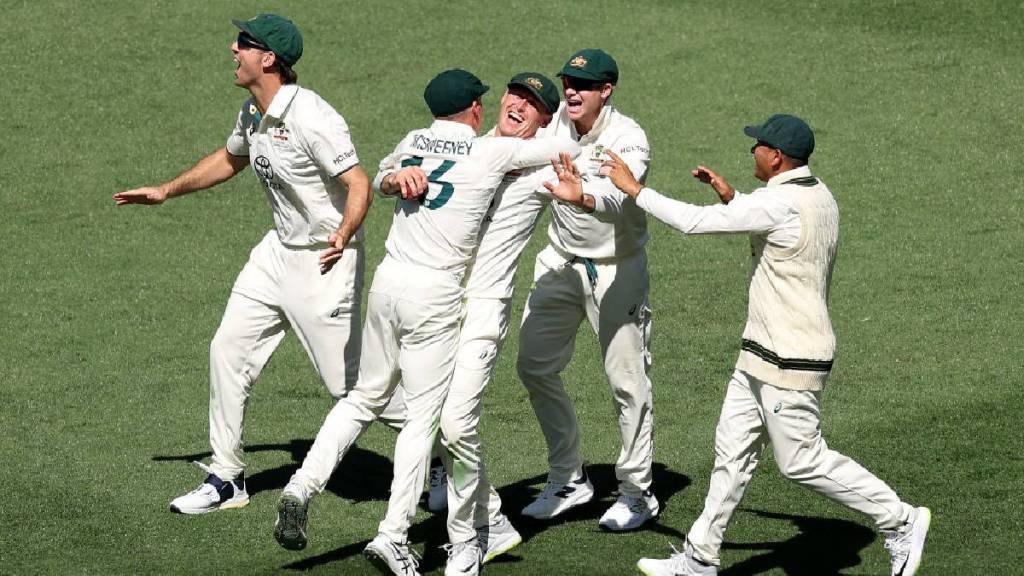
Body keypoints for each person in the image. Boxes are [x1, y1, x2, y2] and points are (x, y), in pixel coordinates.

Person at [575, 113, 930, 576]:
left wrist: (634, 189)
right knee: (733, 453)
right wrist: (733, 198)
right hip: (761, 351)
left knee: (801, 460)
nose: (752, 152)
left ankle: (901, 519)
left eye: (758, 146)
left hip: (789, 355)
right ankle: (700, 556)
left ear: (777, 157)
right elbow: (774, 223)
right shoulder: (816, 193)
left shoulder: (778, 203)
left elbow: (694, 223)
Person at [271, 69, 579, 576]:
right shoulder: (488, 150)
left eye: (532, 103)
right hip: (436, 296)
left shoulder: (422, 138)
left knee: (373, 400)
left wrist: (393, 177)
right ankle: (396, 535)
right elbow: (394, 175)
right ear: (480, 108)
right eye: (513, 97)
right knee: (425, 421)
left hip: (403, 287)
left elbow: (390, 170)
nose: (519, 106)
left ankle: (303, 486)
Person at [112, 14, 399, 514]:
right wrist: (165, 190)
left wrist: (344, 233)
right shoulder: (253, 111)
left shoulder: (313, 117)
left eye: (243, 44)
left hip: (324, 261)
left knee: (349, 385)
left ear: (268, 58)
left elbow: (359, 182)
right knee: (227, 351)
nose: (232, 48)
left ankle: (440, 455)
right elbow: (230, 159)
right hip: (275, 255)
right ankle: (227, 478)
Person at [516, 48, 659, 531]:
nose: (572, 92)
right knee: (534, 366)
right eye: (568, 83)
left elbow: (623, 196)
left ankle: (638, 492)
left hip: (617, 271)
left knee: (627, 382)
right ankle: (568, 478)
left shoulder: (628, 137)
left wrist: (587, 198)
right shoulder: (553, 122)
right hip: (558, 261)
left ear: (607, 91)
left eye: (584, 85)